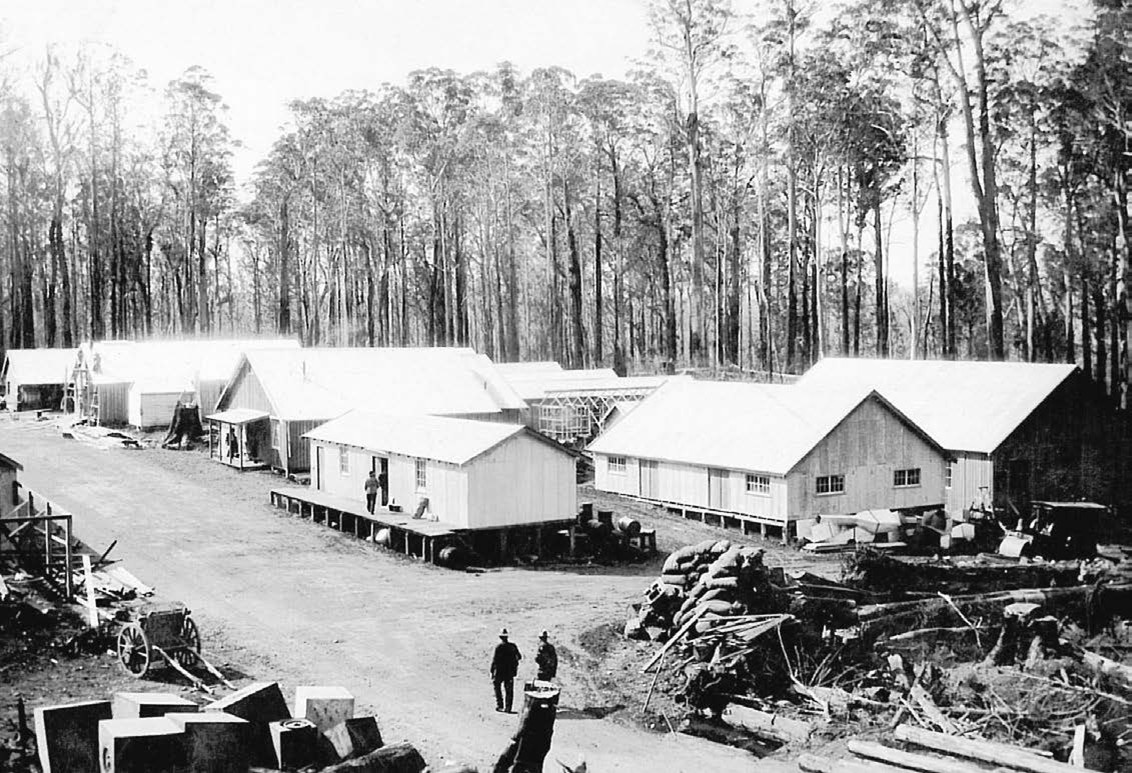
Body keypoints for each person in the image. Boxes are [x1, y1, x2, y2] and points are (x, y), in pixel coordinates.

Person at [491, 628, 522, 713]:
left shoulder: (499, 647)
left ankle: (500, 705)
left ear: (500, 637)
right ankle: (508, 707)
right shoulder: (513, 646)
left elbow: (495, 660)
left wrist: (492, 670)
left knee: (497, 687)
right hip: (509, 671)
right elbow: (519, 657)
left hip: (500, 671)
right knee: (509, 690)